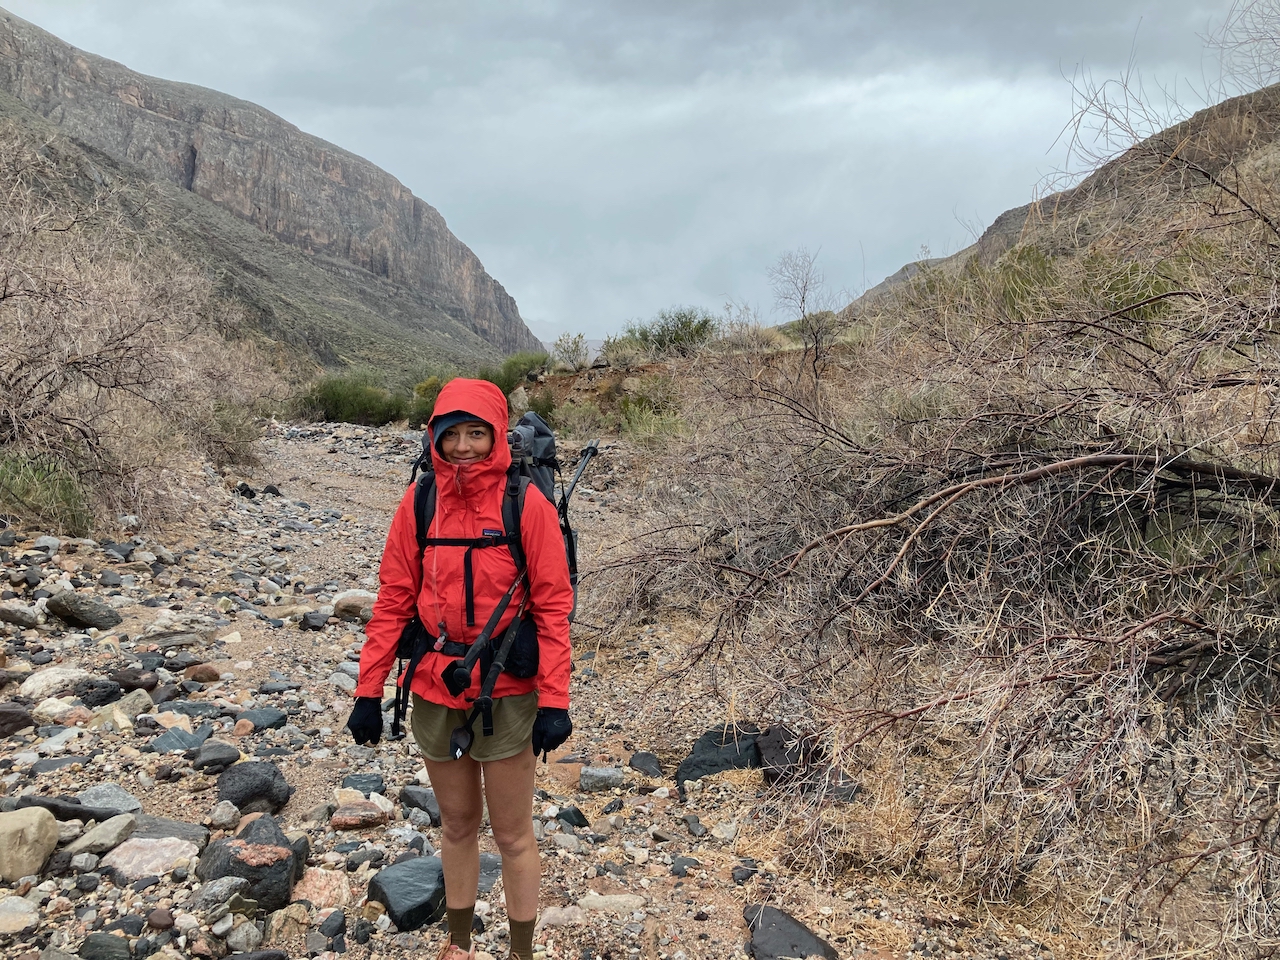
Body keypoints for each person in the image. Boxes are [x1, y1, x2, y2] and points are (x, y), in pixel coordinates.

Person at [346, 378, 575, 960]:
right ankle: (459, 943)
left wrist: (555, 701)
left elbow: (552, 608)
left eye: (479, 433)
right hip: (433, 686)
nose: (467, 446)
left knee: (514, 835)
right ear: (436, 438)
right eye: (455, 434)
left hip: (509, 692)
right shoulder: (419, 502)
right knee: (455, 825)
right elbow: (394, 597)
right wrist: (367, 691)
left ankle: (521, 951)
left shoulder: (526, 504)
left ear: (498, 435)